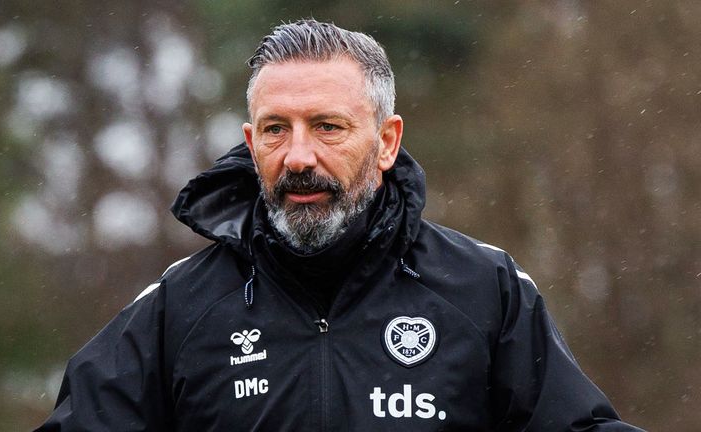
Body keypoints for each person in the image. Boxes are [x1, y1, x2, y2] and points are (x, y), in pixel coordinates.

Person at [36, 19, 645, 431]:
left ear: (386, 141)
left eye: (327, 126)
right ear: (251, 144)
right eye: (276, 129)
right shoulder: (178, 308)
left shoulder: (486, 289)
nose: (298, 158)